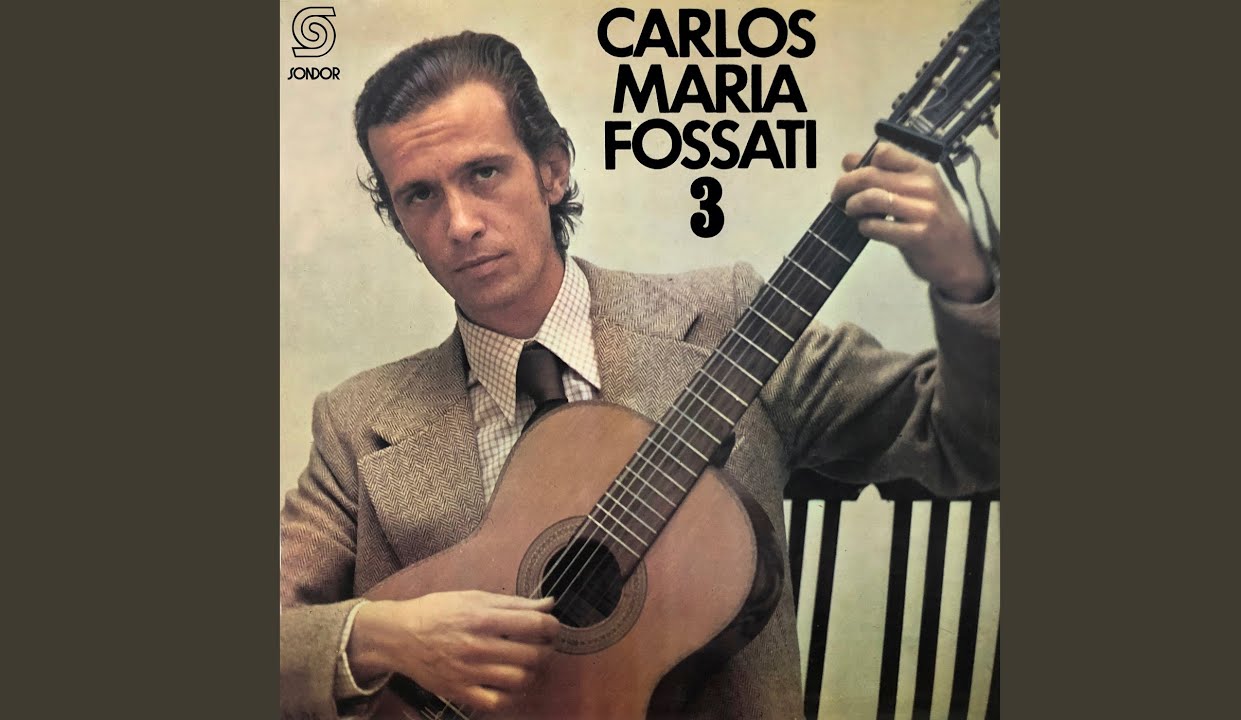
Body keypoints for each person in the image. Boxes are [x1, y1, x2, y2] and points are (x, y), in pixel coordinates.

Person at [280, 31, 999, 720]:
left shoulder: (732, 326)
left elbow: (973, 446)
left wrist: (968, 284)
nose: (461, 222)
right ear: (400, 222)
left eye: (484, 173)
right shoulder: (358, 422)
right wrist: (380, 636)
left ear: (552, 170)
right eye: (420, 195)